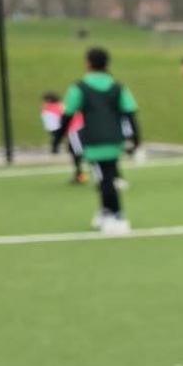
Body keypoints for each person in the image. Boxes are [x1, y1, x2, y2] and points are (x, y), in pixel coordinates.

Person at [62, 47, 140, 235]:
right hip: (114, 140)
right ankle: (106, 212)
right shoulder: (118, 87)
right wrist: (136, 139)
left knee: (103, 180)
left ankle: (116, 216)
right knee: (108, 177)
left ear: (88, 63)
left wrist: (57, 138)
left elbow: (67, 114)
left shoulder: (79, 87)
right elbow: (130, 113)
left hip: (94, 140)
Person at [42, 91, 86, 184]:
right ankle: (80, 175)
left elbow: (53, 127)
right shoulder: (62, 105)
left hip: (74, 130)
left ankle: (81, 175)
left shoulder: (49, 109)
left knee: (79, 153)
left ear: (48, 100)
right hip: (82, 127)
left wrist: (56, 142)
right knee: (77, 152)